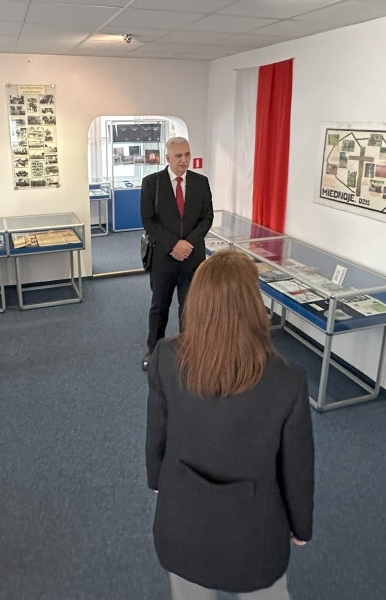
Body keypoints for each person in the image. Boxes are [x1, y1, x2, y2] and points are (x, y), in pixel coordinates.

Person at [146, 250, 315, 600]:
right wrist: (301, 525)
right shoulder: (288, 380)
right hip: (256, 538)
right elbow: (297, 468)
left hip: (182, 525)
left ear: (197, 302)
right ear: (253, 306)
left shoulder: (165, 356)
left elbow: (157, 434)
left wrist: (158, 482)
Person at [140, 136, 213, 371]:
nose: (184, 160)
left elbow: (207, 218)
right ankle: (154, 350)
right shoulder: (152, 183)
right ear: (167, 157)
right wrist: (173, 244)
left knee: (190, 307)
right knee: (159, 306)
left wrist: (187, 243)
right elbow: (148, 220)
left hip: (192, 257)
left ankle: (189, 350)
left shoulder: (201, 182)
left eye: (187, 154)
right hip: (163, 257)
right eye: (178, 156)